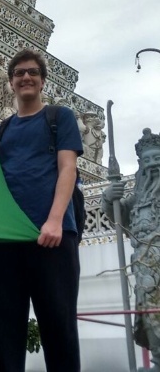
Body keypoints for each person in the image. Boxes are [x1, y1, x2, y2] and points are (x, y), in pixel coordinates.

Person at [0, 49, 82, 371]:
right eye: (19, 74)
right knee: (5, 327)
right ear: (11, 83)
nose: (26, 78)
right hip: (7, 238)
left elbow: (67, 169)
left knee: (58, 323)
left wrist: (54, 221)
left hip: (52, 234)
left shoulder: (59, 117)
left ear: (42, 81)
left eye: (33, 73)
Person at [102, 128, 160, 368]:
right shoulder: (139, 197)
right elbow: (119, 216)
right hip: (144, 268)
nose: (153, 165)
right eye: (147, 161)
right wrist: (108, 197)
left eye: (157, 159)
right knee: (150, 317)